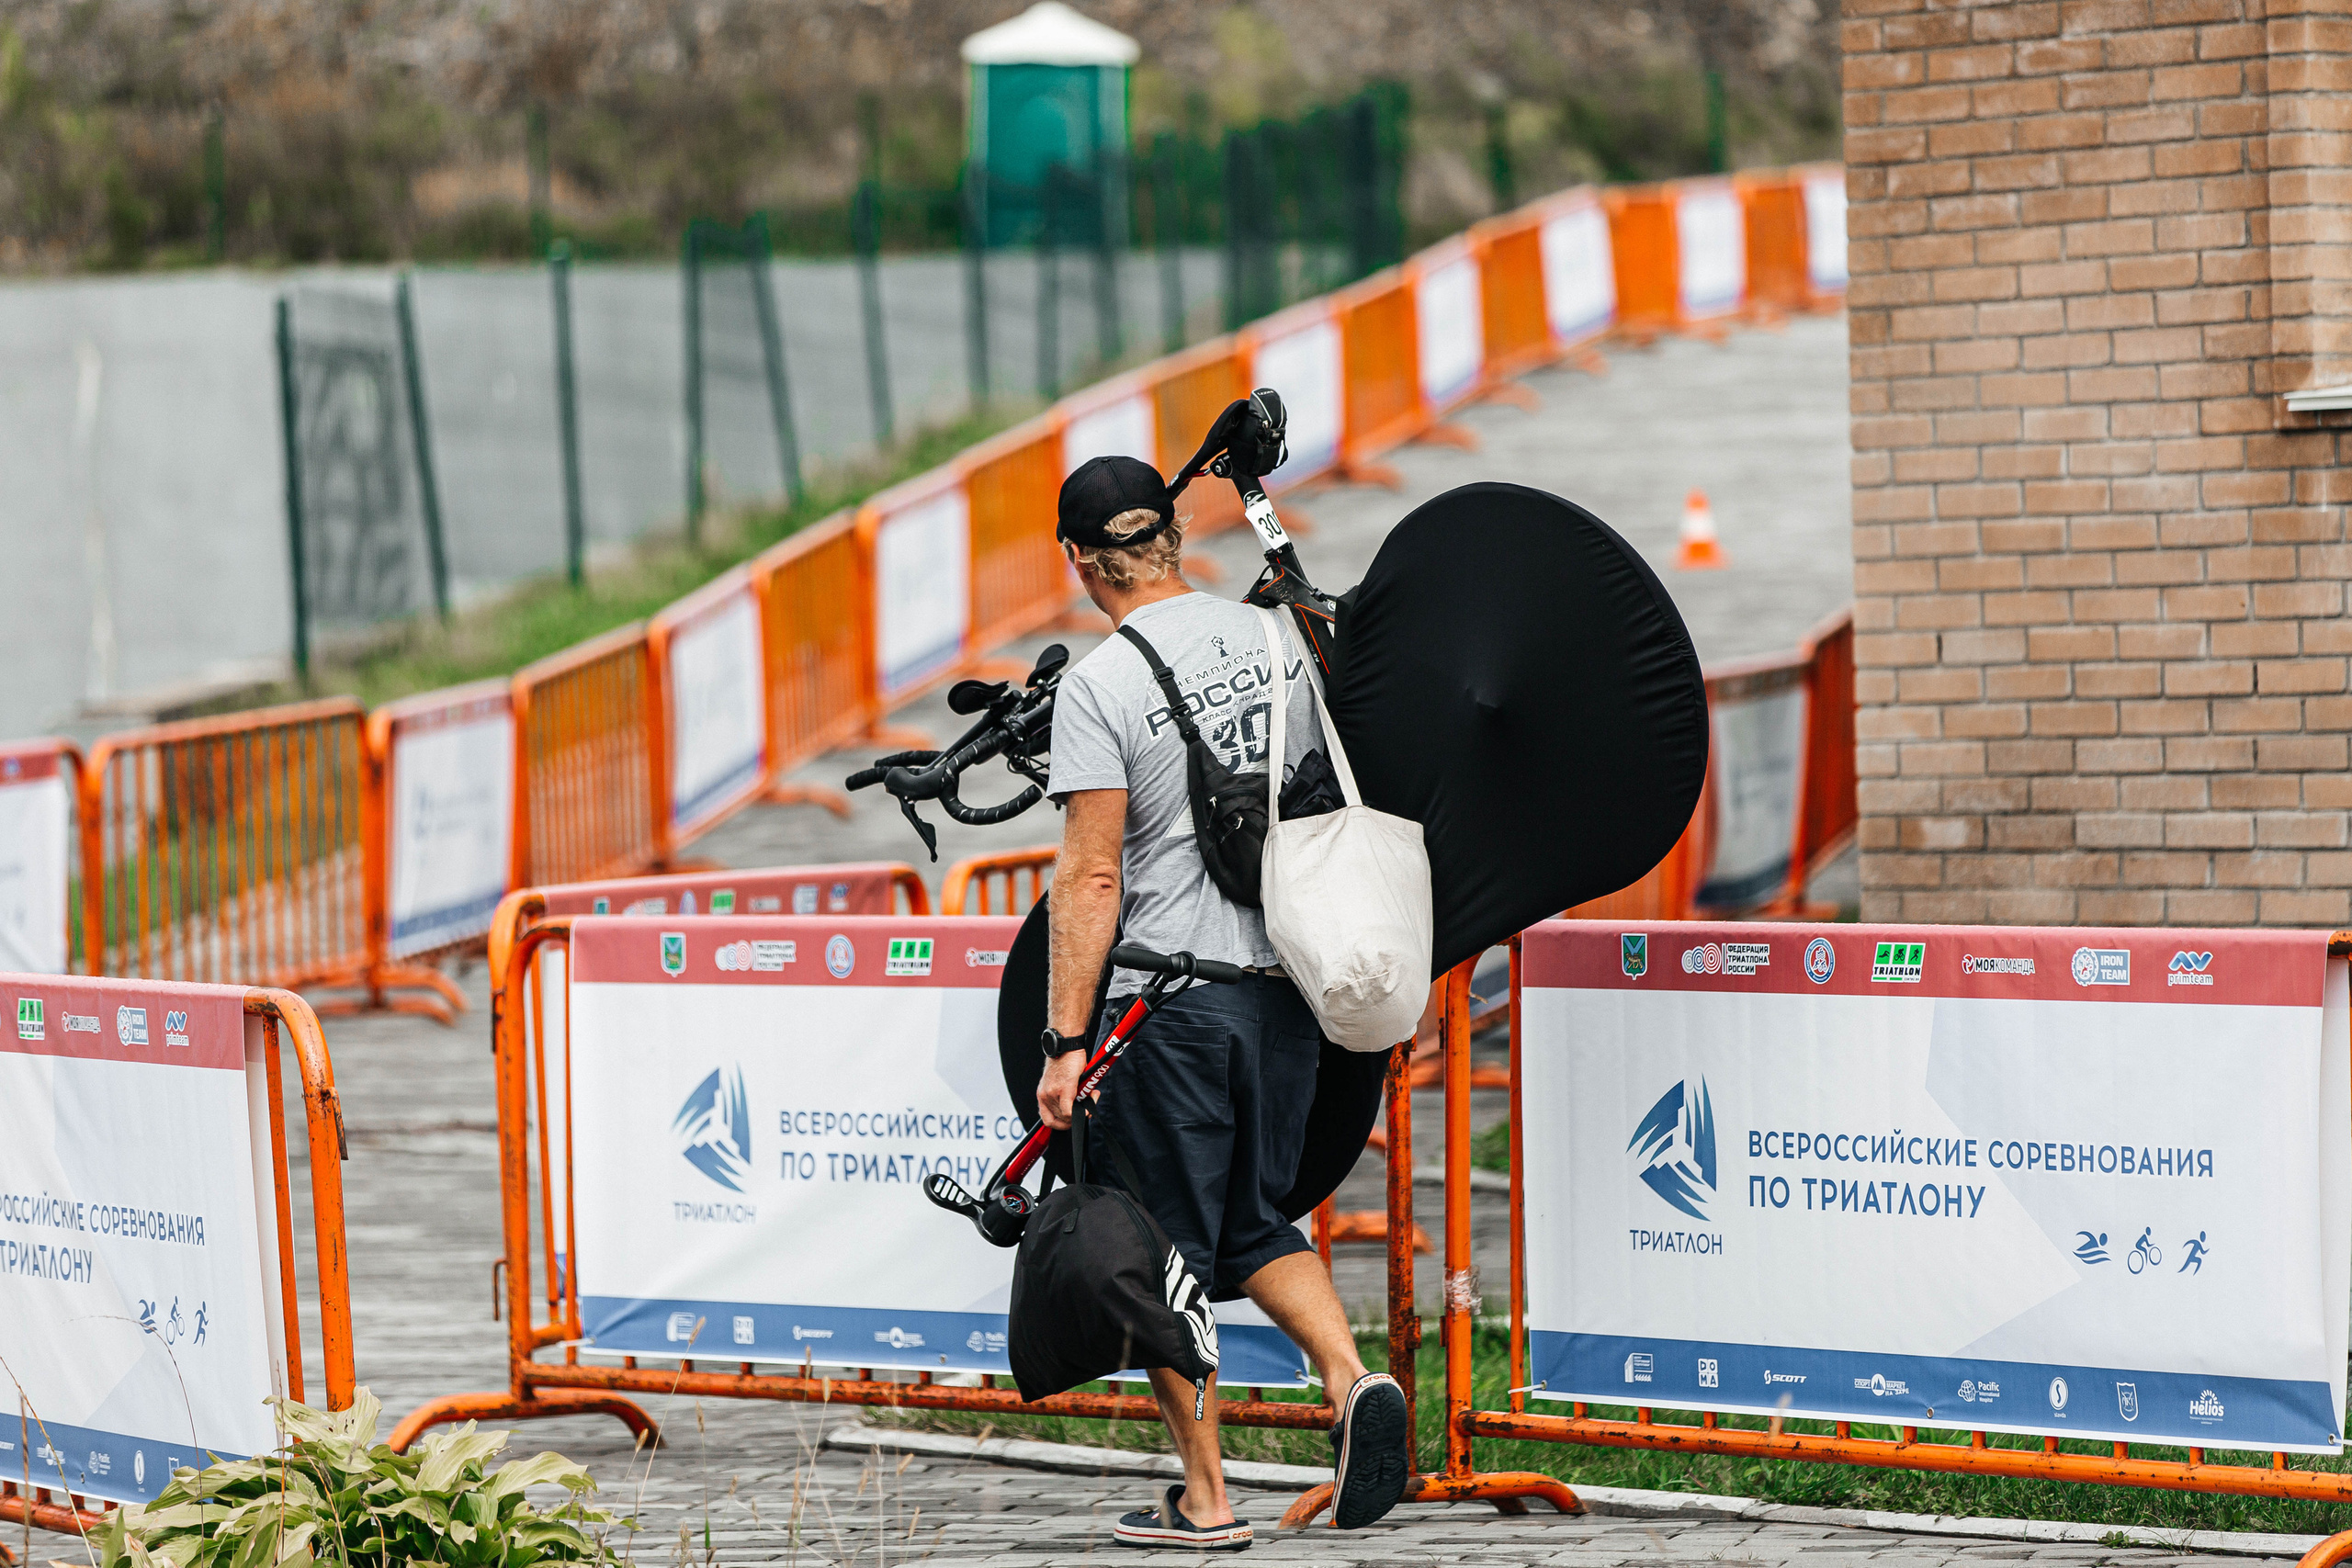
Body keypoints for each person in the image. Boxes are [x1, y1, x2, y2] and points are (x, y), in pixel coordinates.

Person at [1038, 454, 1410, 1550]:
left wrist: (1067, 1040)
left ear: (1078, 561)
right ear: (1172, 538)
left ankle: (1204, 1501)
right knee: (1254, 1220)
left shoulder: (1100, 684)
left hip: (1172, 1009)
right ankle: (1348, 1387)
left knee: (1161, 1248)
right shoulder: (1268, 639)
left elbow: (1093, 878)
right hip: (1285, 993)